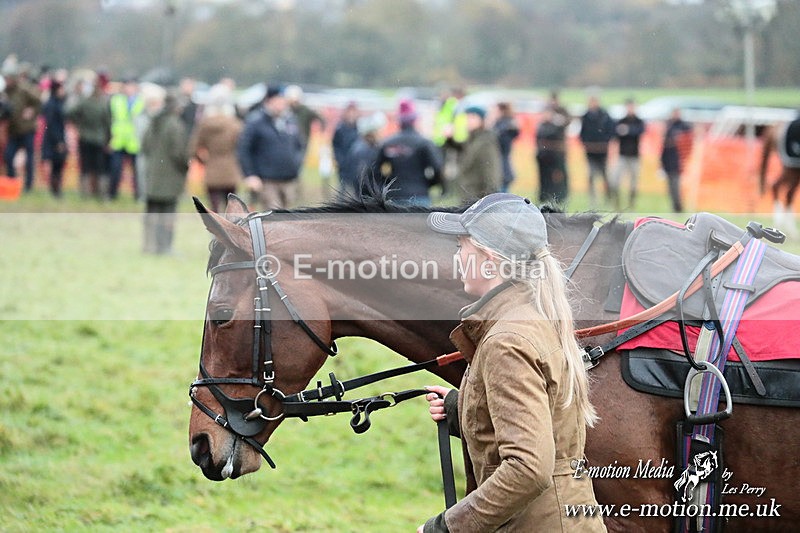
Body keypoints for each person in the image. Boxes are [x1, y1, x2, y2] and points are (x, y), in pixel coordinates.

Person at [420, 193, 605, 533]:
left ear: (489, 261)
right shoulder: (532, 315)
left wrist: (446, 527)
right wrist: (464, 407)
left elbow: (528, 469)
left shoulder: (506, 340)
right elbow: (545, 417)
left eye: (462, 247)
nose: (457, 257)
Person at [237, 85, 303, 210]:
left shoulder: (290, 120)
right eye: (278, 100)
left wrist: (297, 164)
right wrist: (250, 174)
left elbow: (299, 145)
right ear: (268, 101)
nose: (281, 104)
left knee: (289, 216)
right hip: (267, 180)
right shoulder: (256, 122)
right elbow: (244, 149)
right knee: (274, 215)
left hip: (288, 178)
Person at [140, 92, 188, 255]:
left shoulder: (153, 122)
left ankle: (149, 245)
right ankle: (165, 247)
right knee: (168, 213)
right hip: (170, 176)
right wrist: (185, 167)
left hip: (153, 175)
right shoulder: (175, 125)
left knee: (152, 212)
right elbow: (179, 153)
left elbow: (144, 146)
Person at [372, 99, 442, 206]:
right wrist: (431, 184)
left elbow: (375, 170)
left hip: (394, 196)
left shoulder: (387, 143)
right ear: (414, 120)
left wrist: (386, 184)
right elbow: (437, 168)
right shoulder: (424, 143)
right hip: (420, 195)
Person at [189, 83, 243, 213]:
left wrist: (203, 161)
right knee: (231, 208)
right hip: (231, 168)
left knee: (214, 208)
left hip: (211, 168)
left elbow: (193, 148)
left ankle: (215, 226)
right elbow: (242, 146)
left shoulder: (204, 124)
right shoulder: (235, 125)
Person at [66, 73, 111, 199]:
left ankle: (85, 193)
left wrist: (79, 124)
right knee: (100, 167)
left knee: (85, 166)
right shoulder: (103, 103)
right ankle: (101, 193)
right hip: (99, 139)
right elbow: (108, 123)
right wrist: (108, 138)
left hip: (84, 138)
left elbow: (70, 112)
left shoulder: (84, 102)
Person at [1, 62, 41, 192]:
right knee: (8, 156)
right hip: (13, 130)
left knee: (29, 158)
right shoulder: (5, 92)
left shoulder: (24, 89)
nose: (7, 80)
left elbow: (39, 101)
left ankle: (28, 186)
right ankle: (12, 183)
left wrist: (32, 110)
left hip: (27, 129)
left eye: (8, 78)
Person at [455, 105, 502, 201]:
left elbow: (491, 171)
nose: (468, 121)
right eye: (467, 117)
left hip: (478, 197)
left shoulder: (485, 140)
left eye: (472, 117)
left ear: (482, 120)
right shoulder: (473, 138)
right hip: (469, 195)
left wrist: (489, 199)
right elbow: (461, 149)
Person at [108, 76, 144, 200]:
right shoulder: (116, 100)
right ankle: (112, 194)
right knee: (115, 169)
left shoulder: (141, 101)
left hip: (135, 141)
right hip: (118, 140)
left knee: (137, 172)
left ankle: (138, 195)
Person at [579, 93, 615, 208]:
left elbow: (611, 130)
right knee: (591, 176)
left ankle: (608, 198)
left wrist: (605, 142)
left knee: (605, 177)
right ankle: (593, 200)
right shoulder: (586, 116)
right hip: (590, 153)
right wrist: (586, 143)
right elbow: (582, 132)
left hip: (602, 152)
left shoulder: (605, 115)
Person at [338, 111, 385, 195]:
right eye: (376, 131)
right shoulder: (363, 149)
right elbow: (362, 175)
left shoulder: (363, 146)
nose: (379, 133)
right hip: (367, 193)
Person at [611, 98, 646, 210]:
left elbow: (639, 131)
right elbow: (615, 133)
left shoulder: (639, 121)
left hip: (634, 156)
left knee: (633, 183)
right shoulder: (621, 121)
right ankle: (617, 204)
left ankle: (631, 204)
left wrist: (627, 130)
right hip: (622, 155)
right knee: (615, 180)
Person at [660, 107, 693, 213]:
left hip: (678, 161)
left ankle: (679, 207)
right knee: (670, 187)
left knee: (676, 186)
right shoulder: (669, 126)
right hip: (668, 161)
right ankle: (674, 207)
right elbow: (664, 145)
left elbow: (687, 143)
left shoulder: (684, 127)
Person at [41, 80, 68, 197]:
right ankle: (55, 190)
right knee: (56, 165)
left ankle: (56, 189)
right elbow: (51, 124)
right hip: (54, 139)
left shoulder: (57, 103)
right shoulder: (52, 105)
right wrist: (59, 141)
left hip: (57, 137)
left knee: (58, 165)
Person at [284, 84, 326, 157]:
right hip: (288, 141)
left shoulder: (305, 110)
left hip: (302, 141)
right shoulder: (285, 110)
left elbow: (321, 119)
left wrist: (321, 132)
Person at [493, 101, 519, 193]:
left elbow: (501, 144)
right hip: (502, 161)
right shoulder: (505, 124)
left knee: (502, 191)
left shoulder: (504, 127)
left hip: (501, 163)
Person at [332, 102, 360, 181]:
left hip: (356, 165)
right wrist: (340, 160)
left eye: (353, 112)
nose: (351, 114)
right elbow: (335, 146)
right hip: (343, 165)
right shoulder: (340, 128)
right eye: (349, 112)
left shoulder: (360, 128)